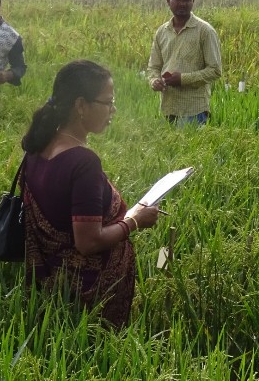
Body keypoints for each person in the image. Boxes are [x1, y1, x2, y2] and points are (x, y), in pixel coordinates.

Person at [21, 60, 159, 328]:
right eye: (107, 102)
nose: (113, 110)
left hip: (50, 282)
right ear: (81, 105)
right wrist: (135, 221)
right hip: (87, 293)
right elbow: (88, 242)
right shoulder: (83, 162)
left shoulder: (38, 144)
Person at [147, 0, 222, 126]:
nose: (182, 3)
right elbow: (153, 67)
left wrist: (182, 79)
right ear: (168, 0)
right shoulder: (162, 32)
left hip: (194, 111)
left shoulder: (205, 31)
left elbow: (215, 70)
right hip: (167, 108)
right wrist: (154, 81)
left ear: (193, 1)